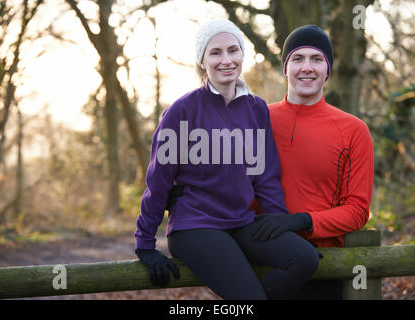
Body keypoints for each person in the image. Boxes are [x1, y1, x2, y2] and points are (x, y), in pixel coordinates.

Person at [134, 19, 320, 300]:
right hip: (195, 226)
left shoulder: (256, 108)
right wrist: (145, 244)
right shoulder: (182, 111)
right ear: (202, 60)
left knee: (304, 259)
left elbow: (266, 177)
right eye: (216, 53)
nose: (226, 60)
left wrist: (280, 225)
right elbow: (157, 182)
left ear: (242, 55)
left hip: (242, 222)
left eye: (233, 50)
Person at [250, 25, 375, 299]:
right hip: (259, 260)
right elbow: (227, 182)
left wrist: (302, 221)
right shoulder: (255, 118)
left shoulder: (354, 130)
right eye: (297, 58)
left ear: (328, 70)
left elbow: (357, 211)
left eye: (317, 59)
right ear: (285, 68)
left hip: (323, 265)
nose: (307, 67)